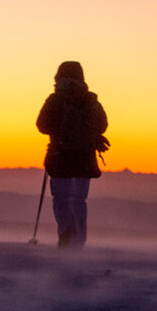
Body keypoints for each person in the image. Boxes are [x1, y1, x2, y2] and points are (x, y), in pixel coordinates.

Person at [36, 61, 109, 248]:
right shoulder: (91, 100)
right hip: (85, 158)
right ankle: (79, 240)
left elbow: (42, 125)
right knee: (79, 200)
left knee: (61, 198)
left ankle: (66, 231)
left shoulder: (56, 99)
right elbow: (102, 125)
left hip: (60, 156)